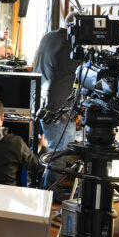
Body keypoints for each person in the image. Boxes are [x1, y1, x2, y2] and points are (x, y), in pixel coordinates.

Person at [33, 11, 80, 183]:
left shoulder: (49, 36)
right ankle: (51, 192)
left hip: (40, 100)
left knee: (51, 150)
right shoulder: (68, 44)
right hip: (58, 109)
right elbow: (84, 71)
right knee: (60, 153)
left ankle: (44, 186)